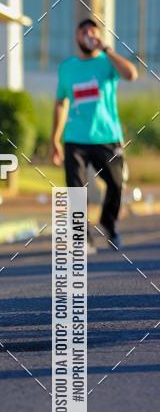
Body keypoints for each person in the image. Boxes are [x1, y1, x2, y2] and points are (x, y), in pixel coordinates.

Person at [50, 17, 138, 252]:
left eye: (93, 31)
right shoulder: (67, 67)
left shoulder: (107, 62)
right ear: (77, 37)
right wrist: (55, 139)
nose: (89, 35)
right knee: (76, 189)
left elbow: (131, 75)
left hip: (107, 137)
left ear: (99, 36)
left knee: (116, 184)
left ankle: (108, 224)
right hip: (75, 138)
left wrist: (107, 49)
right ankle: (82, 238)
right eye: (84, 31)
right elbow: (60, 103)